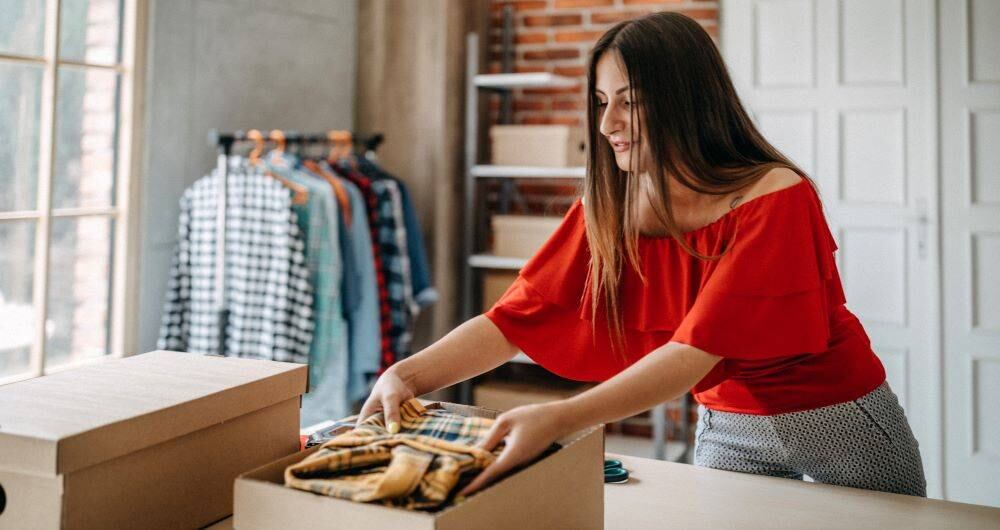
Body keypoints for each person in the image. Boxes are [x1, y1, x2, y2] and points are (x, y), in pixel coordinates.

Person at [356, 12, 927, 499]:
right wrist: (406, 374)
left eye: (629, 103)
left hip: (838, 418)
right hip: (728, 424)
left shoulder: (776, 195)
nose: (607, 125)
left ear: (687, 101)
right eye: (602, 102)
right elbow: (516, 319)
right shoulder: (612, 203)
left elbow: (692, 353)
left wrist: (564, 418)